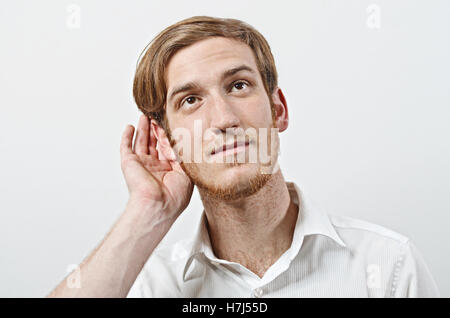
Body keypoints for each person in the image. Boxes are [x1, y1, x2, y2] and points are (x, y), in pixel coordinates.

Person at [47, 16, 440, 298]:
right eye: (191, 100)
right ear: (166, 140)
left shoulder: (388, 265)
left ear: (278, 109)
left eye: (238, 86)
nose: (224, 119)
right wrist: (149, 211)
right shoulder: (145, 285)